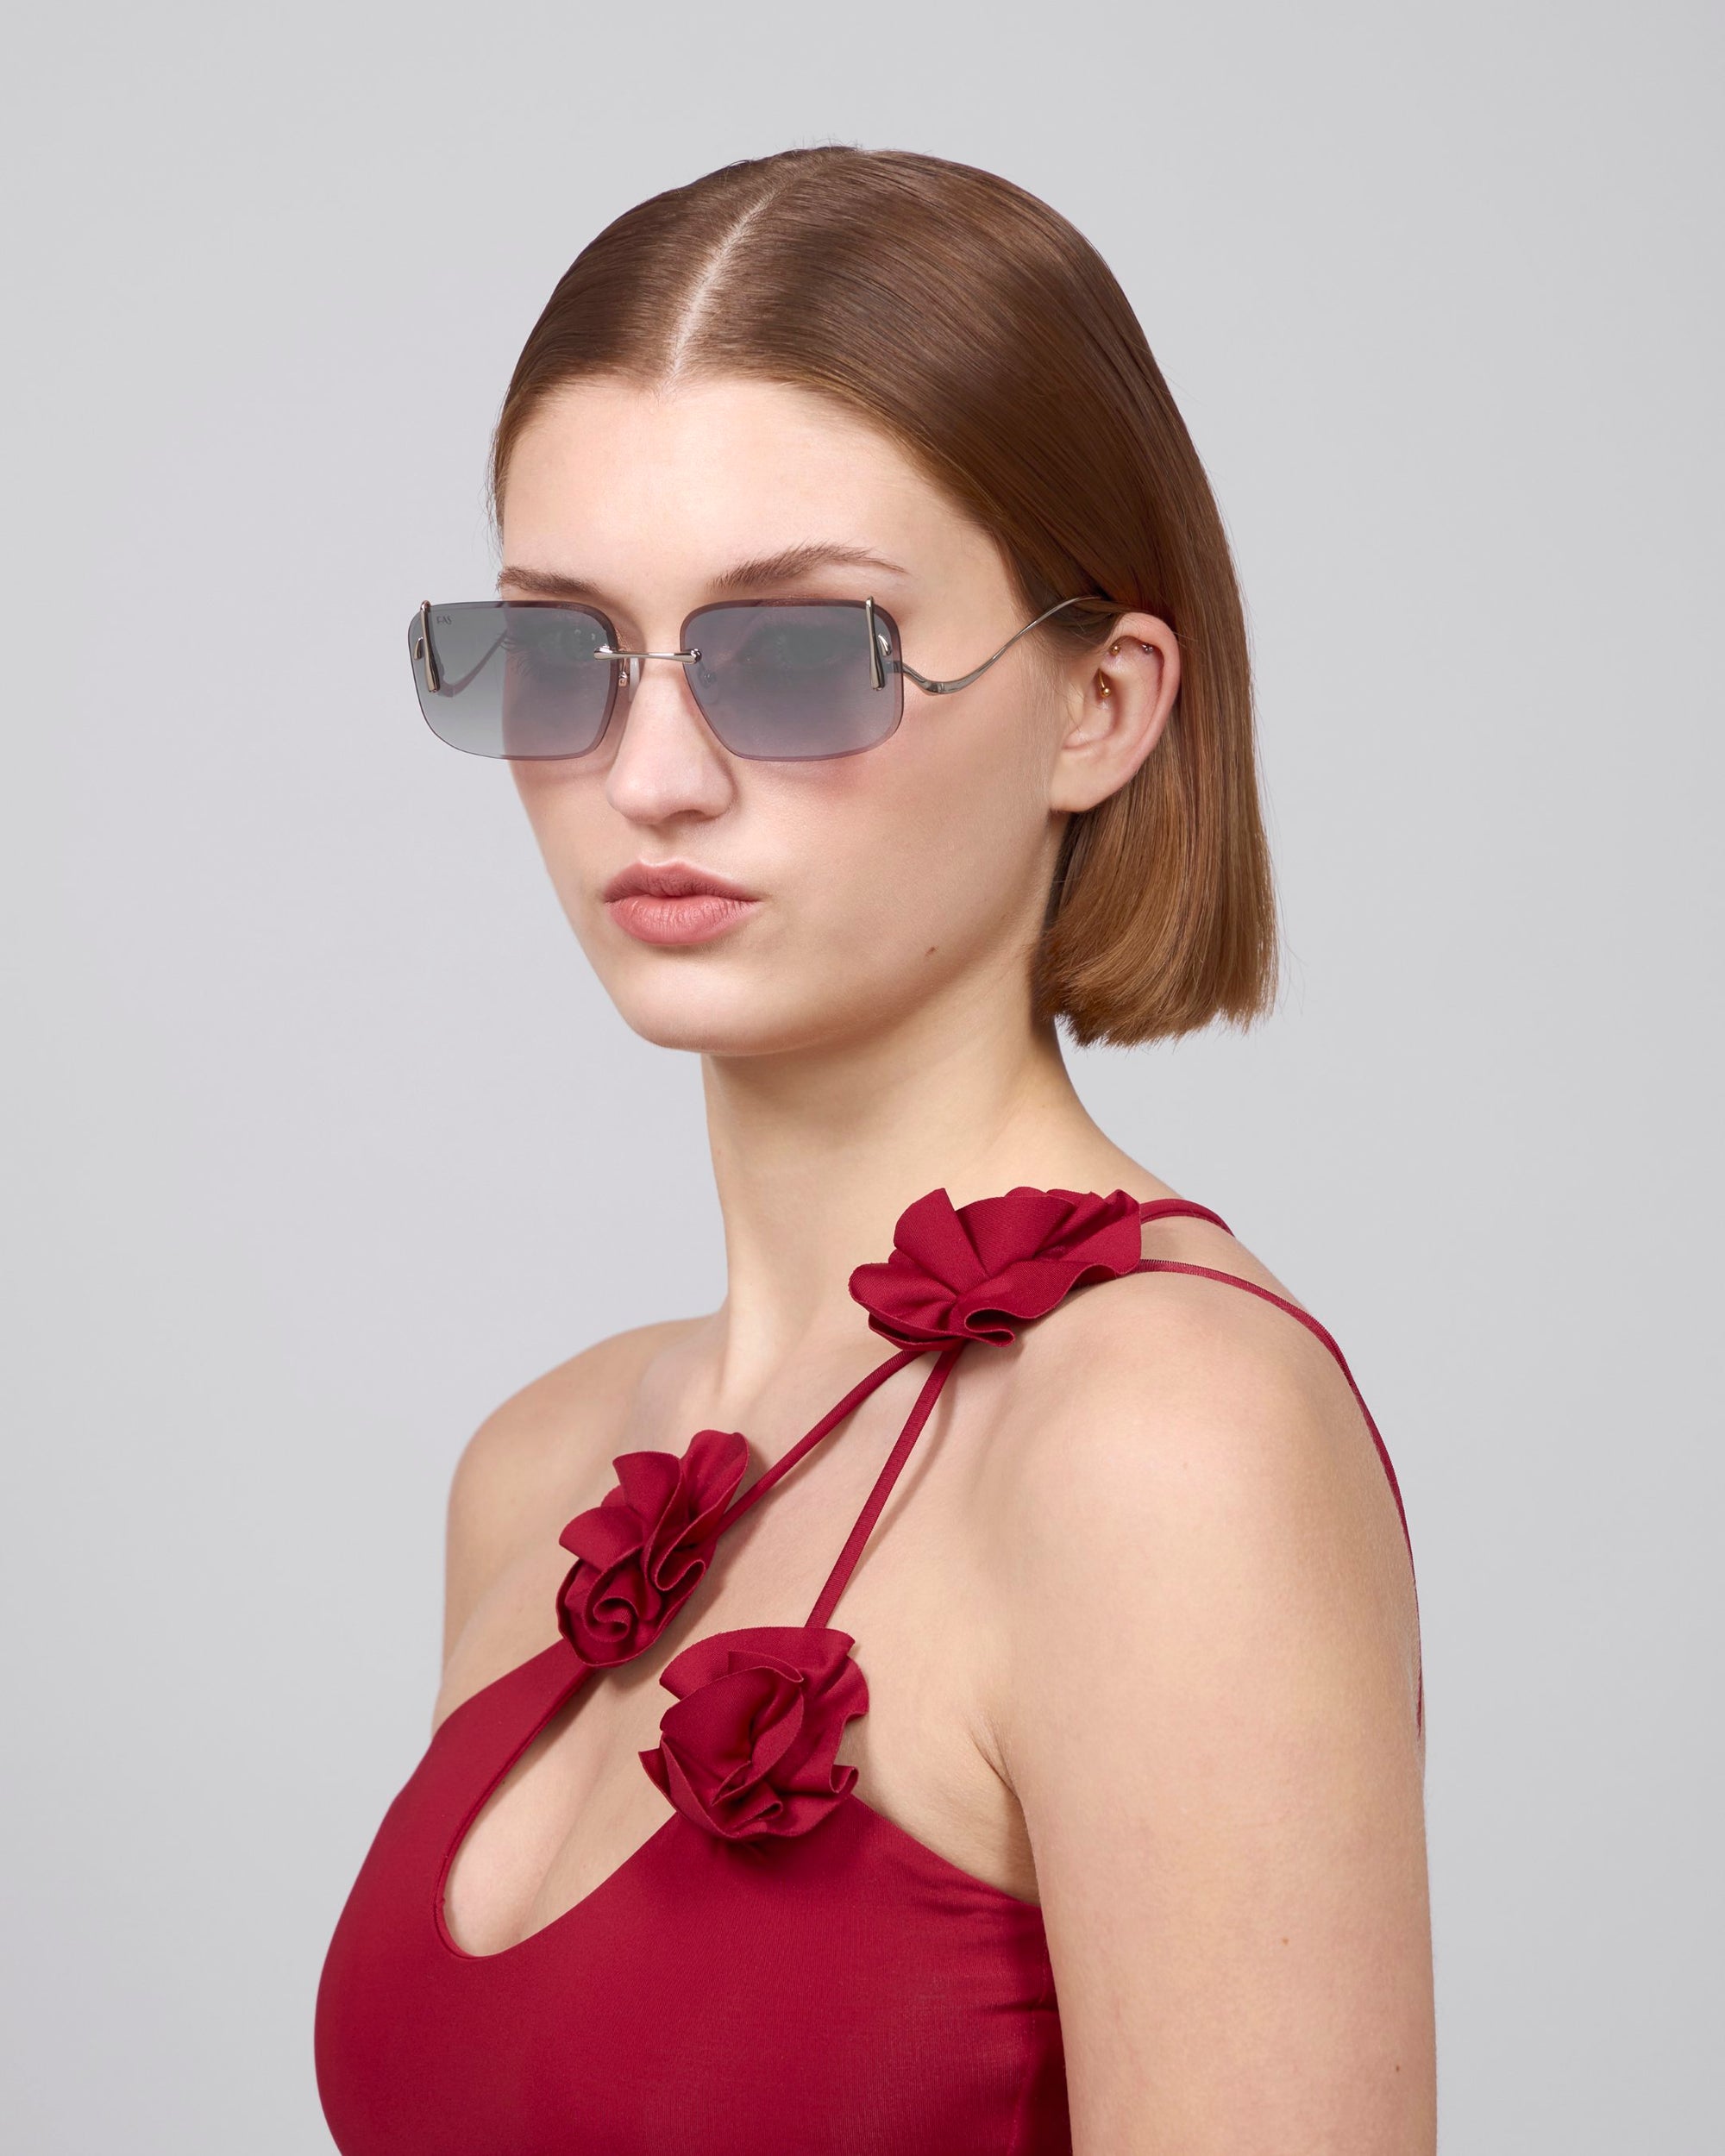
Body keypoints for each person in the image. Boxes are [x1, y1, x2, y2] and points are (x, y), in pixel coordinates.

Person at [315, 146, 1433, 2154]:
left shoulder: (1165, 1437)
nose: (647, 775)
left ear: (1099, 704)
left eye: (799, 650)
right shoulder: (538, 1472)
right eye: (563, 652)